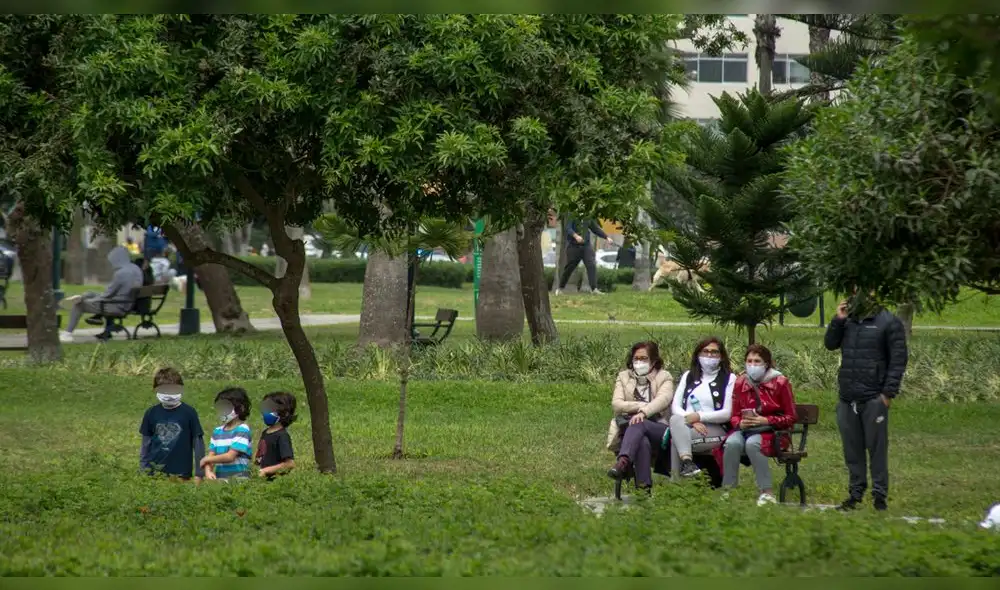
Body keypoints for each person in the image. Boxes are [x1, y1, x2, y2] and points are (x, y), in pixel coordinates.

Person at [824, 289, 908, 511]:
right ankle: (855, 494)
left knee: (877, 449)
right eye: (854, 288)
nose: (858, 292)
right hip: (847, 396)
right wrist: (838, 320)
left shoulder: (888, 321)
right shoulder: (847, 320)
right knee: (852, 450)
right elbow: (830, 344)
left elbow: (898, 360)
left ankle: (879, 496)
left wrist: (887, 394)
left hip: (874, 397)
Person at [722, 344, 797, 506]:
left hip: (774, 433)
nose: (752, 365)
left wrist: (767, 420)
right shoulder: (741, 382)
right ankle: (728, 490)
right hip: (746, 429)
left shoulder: (780, 382)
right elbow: (734, 415)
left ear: (766, 363)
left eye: (757, 361)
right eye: (749, 361)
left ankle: (766, 492)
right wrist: (740, 423)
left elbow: (791, 417)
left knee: (753, 444)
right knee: (732, 443)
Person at [605, 342, 675, 492]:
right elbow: (617, 404)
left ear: (654, 361)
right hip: (632, 430)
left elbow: (663, 400)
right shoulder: (623, 376)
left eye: (644, 358)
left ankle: (623, 462)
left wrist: (644, 413)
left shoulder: (664, 377)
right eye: (636, 358)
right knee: (642, 441)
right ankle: (643, 491)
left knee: (638, 423)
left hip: (659, 429)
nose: (639, 362)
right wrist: (642, 406)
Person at [669, 337, 735, 478]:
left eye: (714, 352)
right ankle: (687, 463)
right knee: (675, 420)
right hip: (688, 425)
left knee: (676, 439)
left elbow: (727, 413)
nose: (709, 355)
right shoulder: (688, 376)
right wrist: (692, 420)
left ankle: (676, 482)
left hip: (716, 428)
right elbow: (675, 406)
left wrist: (700, 417)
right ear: (698, 354)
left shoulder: (729, 378)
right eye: (705, 351)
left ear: (721, 356)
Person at [60, 246, 144, 343]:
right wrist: (90, 296)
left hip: (116, 306)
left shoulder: (121, 274)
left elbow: (107, 295)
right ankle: (82, 297)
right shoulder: (136, 269)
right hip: (126, 303)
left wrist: (88, 301)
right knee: (89, 293)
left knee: (79, 305)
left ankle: (67, 333)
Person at [139, 367, 206, 482]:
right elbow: (145, 445)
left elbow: (198, 443)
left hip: (181, 475)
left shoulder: (189, 413)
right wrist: (143, 470)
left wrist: (199, 473)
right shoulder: (151, 413)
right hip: (155, 475)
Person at [200, 387, 253, 481]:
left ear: (240, 408)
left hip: (240, 480)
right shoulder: (217, 431)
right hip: (220, 480)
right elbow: (211, 455)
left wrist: (206, 459)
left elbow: (230, 456)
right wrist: (208, 471)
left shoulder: (242, 429)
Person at [554, 217, 614, 295]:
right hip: (573, 246)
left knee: (591, 264)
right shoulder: (572, 215)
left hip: (586, 246)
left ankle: (594, 289)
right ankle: (560, 288)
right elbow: (568, 228)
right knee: (569, 268)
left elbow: (595, 229)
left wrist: (606, 237)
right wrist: (576, 236)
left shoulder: (588, 217)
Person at [255, 391, 298, 479]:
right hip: (262, 482)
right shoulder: (265, 433)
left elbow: (289, 464)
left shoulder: (282, 436)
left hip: (276, 482)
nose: (265, 412)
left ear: (284, 413)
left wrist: (266, 471)